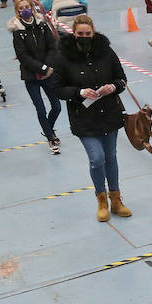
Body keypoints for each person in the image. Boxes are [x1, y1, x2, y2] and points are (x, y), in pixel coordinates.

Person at [51, 15, 132, 221]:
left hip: (109, 114)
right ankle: (101, 200)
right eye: (80, 34)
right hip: (84, 118)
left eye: (88, 34)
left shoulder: (106, 51)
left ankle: (116, 199)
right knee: (97, 159)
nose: (84, 37)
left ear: (93, 33)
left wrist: (113, 87)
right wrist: (79, 92)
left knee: (111, 157)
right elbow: (57, 88)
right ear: (74, 34)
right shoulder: (63, 57)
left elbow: (121, 78)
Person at [7, 0, 61, 154]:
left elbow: (52, 47)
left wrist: (49, 67)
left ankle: (48, 129)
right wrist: (42, 68)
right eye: (21, 8)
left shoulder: (42, 25)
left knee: (56, 106)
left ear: (32, 8)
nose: (25, 10)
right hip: (31, 77)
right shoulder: (18, 32)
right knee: (40, 109)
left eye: (27, 7)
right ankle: (51, 139)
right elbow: (23, 57)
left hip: (48, 73)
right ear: (17, 12)